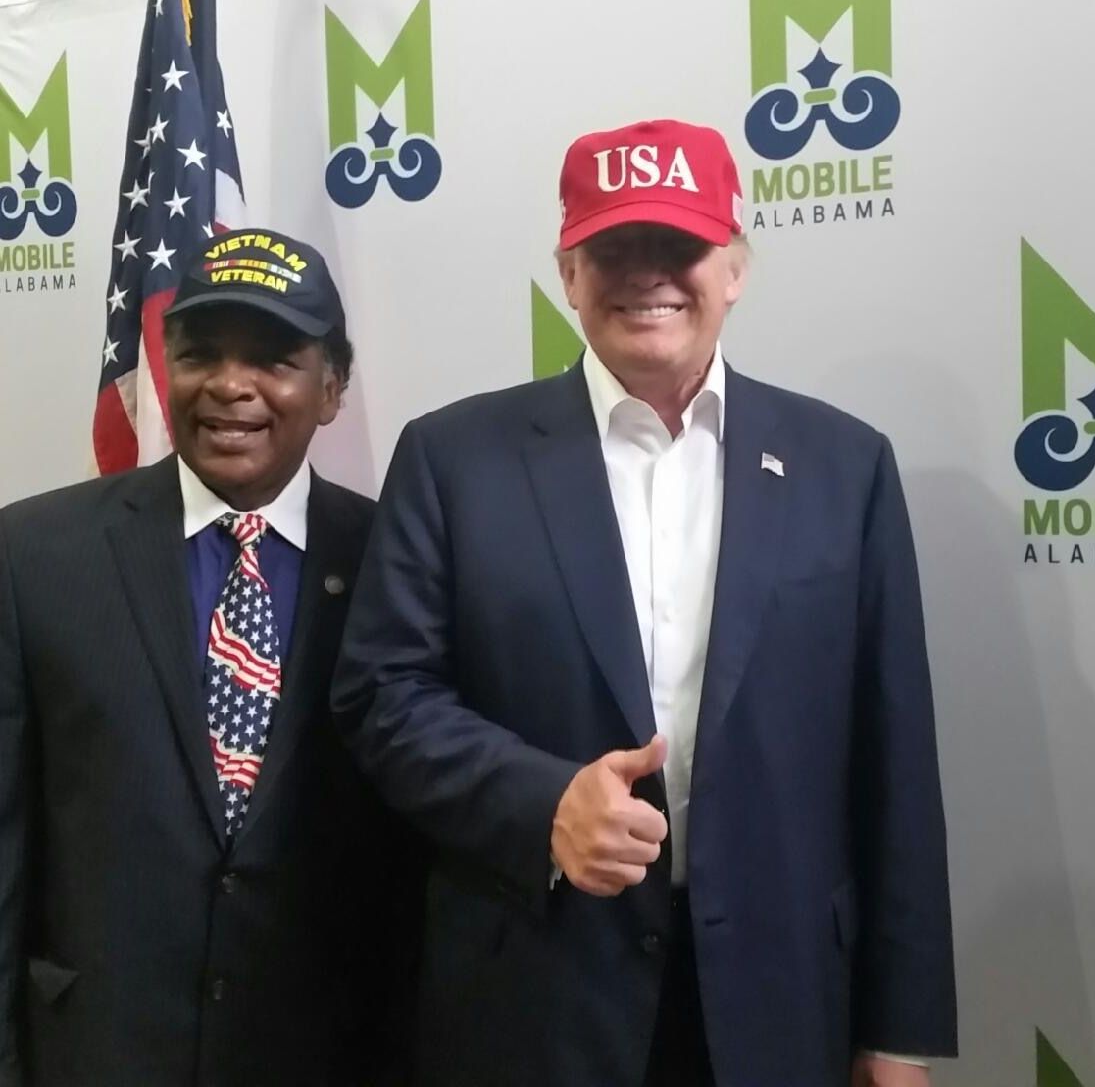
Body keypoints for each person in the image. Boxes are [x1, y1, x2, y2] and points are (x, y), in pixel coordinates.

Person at [333, 120, 956, 1086]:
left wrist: (897, 1030)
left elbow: (895, 758)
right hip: (536, 1002)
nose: (648, 276)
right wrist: (543, 803)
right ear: (568, 274)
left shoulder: (846, 466)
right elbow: (384, 697)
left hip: (781, 1004)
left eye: (679, 246)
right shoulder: (452, 460)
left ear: (735, 268)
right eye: (614, 248)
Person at [0, 228, 414, 1087]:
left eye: (272, 358)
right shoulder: (33, 555)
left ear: (332, 387)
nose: (230, 384)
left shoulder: (399, 562)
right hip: (97, 1055)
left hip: (325, 1054)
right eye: (199, 354)